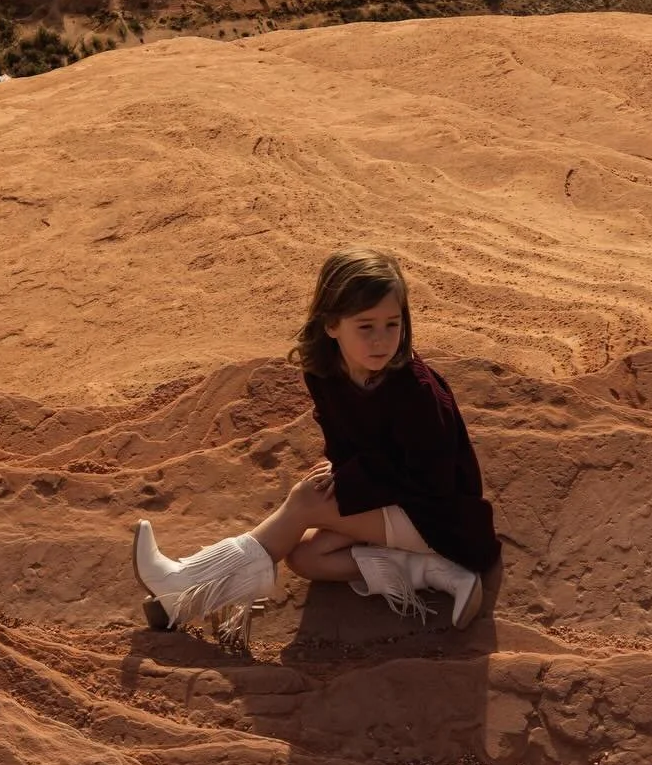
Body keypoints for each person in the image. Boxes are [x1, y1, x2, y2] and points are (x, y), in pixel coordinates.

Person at [131, 247, 500, 641]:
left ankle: (184, 586)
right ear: (331, 325)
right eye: (365, 326)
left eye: (392, 324)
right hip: (396, 508)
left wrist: (351, 482)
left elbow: (434, 482)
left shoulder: (416, 391)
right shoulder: (325, 373)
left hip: (444, 520)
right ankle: (432, 572)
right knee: (305, 557)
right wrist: (345, 473)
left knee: (305, 501)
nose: (381, 340)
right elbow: (343, 440)